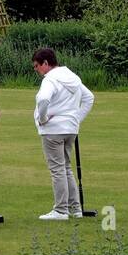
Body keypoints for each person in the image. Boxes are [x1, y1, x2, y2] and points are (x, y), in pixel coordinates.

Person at [31, 47, 95, 221]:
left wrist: (42, 119)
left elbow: (43, 99)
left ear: (45, 63)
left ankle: (60, 210)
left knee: (57, 169)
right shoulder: (73, 77)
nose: (36, 69)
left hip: (53, 130)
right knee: (66, 167)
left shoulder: (50, 79)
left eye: (36, 65)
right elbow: (89, 97)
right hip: (70, 130)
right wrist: (75, 119)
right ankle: (75, 209)